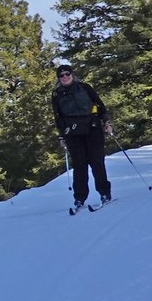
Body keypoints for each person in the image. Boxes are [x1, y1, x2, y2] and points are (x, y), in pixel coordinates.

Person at [51, 62, 112, 213]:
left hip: (92, 128)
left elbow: (100, 105)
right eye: (61, 75)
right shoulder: (57, 94)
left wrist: (107, 122)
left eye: (67, 74)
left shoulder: (85, 88)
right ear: (59, 78)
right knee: (79, 166)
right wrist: (61, 137)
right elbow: (58, 117)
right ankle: (80, 197)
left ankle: (104, 192)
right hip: (72, 132)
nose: (65, 77)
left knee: (97, 161)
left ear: (72, 75)